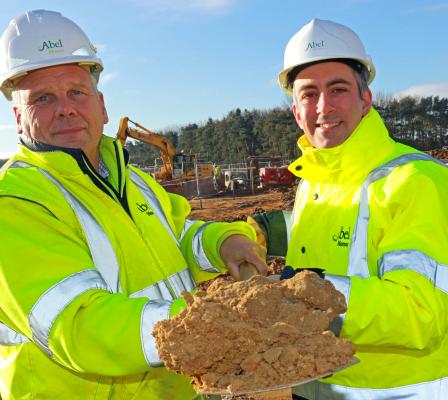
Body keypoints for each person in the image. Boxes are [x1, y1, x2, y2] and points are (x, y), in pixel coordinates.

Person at [0, 10, 266, 400]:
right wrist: (205, 325)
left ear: (102, 106)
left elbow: (181, 235)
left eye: (77, 91)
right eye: (43, 98)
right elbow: (78, 325)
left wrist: (223, 241)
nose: (66, 108)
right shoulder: (16, 201)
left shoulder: (135, 181)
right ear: (19, 119)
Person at [251, 18, 448, 399]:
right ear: (294, 110)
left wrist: (305, 297)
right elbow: (341, 238)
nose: (323, 106)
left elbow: (422, 313)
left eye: (337, 89)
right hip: (317, 389)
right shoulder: (314, 182)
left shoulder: (417, 181)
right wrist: (258, 232)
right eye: (308, 93)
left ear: (365, 99)